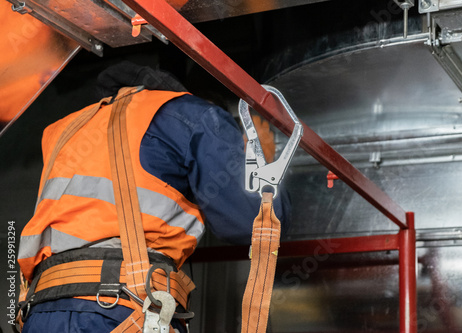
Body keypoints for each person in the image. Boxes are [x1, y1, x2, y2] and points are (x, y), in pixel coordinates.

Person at [17, 61, 290, 333]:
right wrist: (258, 159)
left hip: (41, 313)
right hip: (119, 312)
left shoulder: (67, 128)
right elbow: (253, 223)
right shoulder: (194, 114)